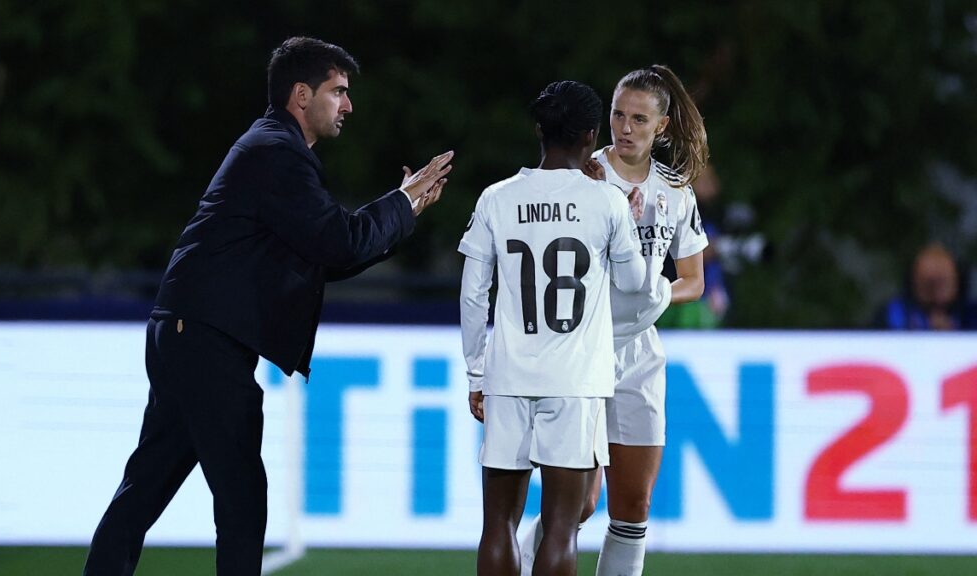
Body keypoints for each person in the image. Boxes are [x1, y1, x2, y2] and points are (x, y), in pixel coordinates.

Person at [83, 37, 453, 576]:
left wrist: (404, 209)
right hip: (205, 339)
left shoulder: (274, 150)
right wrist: (402, 202)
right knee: (240, 497)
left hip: (188, 333)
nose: (348, 104)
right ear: (301, 95)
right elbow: (341, 242)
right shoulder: (278, 154)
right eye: (339, 91)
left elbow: (330, 253)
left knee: (147, 488)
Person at [518, 64, 710, 576]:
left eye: (639, 119)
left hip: (638, 353)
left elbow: (694, 279)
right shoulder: (582, 176)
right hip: (581, 347)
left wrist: (654, 295)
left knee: (634, 507)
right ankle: (516, 561)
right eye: (618, 115)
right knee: (579, 502)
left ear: (661, 127)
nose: (625, 128)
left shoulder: (674, 192)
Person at [459, 80, 648, 576]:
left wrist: (477, 373)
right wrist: (628, 227)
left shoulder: (496, 198)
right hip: (575, 382)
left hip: (508, 375)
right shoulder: (606, 201)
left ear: (539, 131)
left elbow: (473, 294)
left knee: (497, 523)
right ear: (592, 135)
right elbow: (634, 283)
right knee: (562, 527)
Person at [877, 242, 977, 330]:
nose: (936, 294)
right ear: (914, 282)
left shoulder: (971, 315)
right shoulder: (892, 314)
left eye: (942, 283)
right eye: (928, 284)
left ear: (957, 281)